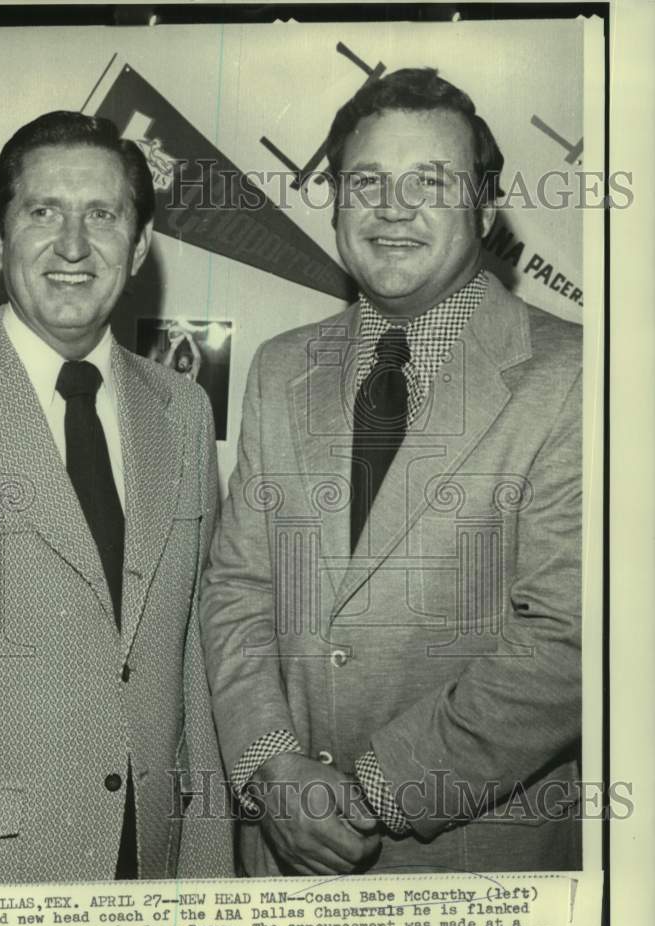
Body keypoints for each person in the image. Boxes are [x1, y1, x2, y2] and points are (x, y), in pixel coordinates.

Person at [201, 69, 582, 875]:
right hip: (282, 857)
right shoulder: (278, 369)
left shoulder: (578, 375)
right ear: (336, 202)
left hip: (468, 868)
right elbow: (237, 588)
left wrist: (371, 792)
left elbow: (566, 637)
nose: (392, 207)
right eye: (365, 181)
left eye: (429, 182)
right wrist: (275, 773)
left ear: (484, 209)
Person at [0, 111, 232, 883]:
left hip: (149, 871)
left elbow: (195, 655)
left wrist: (208, 882)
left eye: (102, 214)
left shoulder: (183, 410)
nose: (71, 245)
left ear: (140, 244)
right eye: (42, 212)